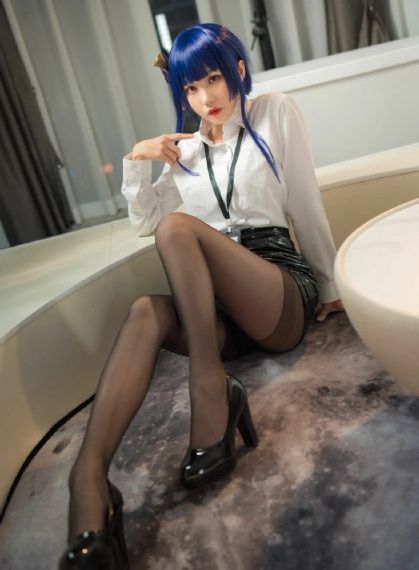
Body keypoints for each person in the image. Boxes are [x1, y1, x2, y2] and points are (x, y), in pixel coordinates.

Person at [59, 22, 344, 569]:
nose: (205, 97)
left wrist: (330, 286)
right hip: (217, 310)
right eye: (190, 88)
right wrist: (138, 157)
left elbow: (305, 202)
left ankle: (208, 389)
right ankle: (89, 483)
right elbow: (145, 221)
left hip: (277, 289)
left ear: (237, 68)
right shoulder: (184, 151)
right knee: (145, 309)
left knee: (178, 229)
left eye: (213, 78)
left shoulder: (273, 112)